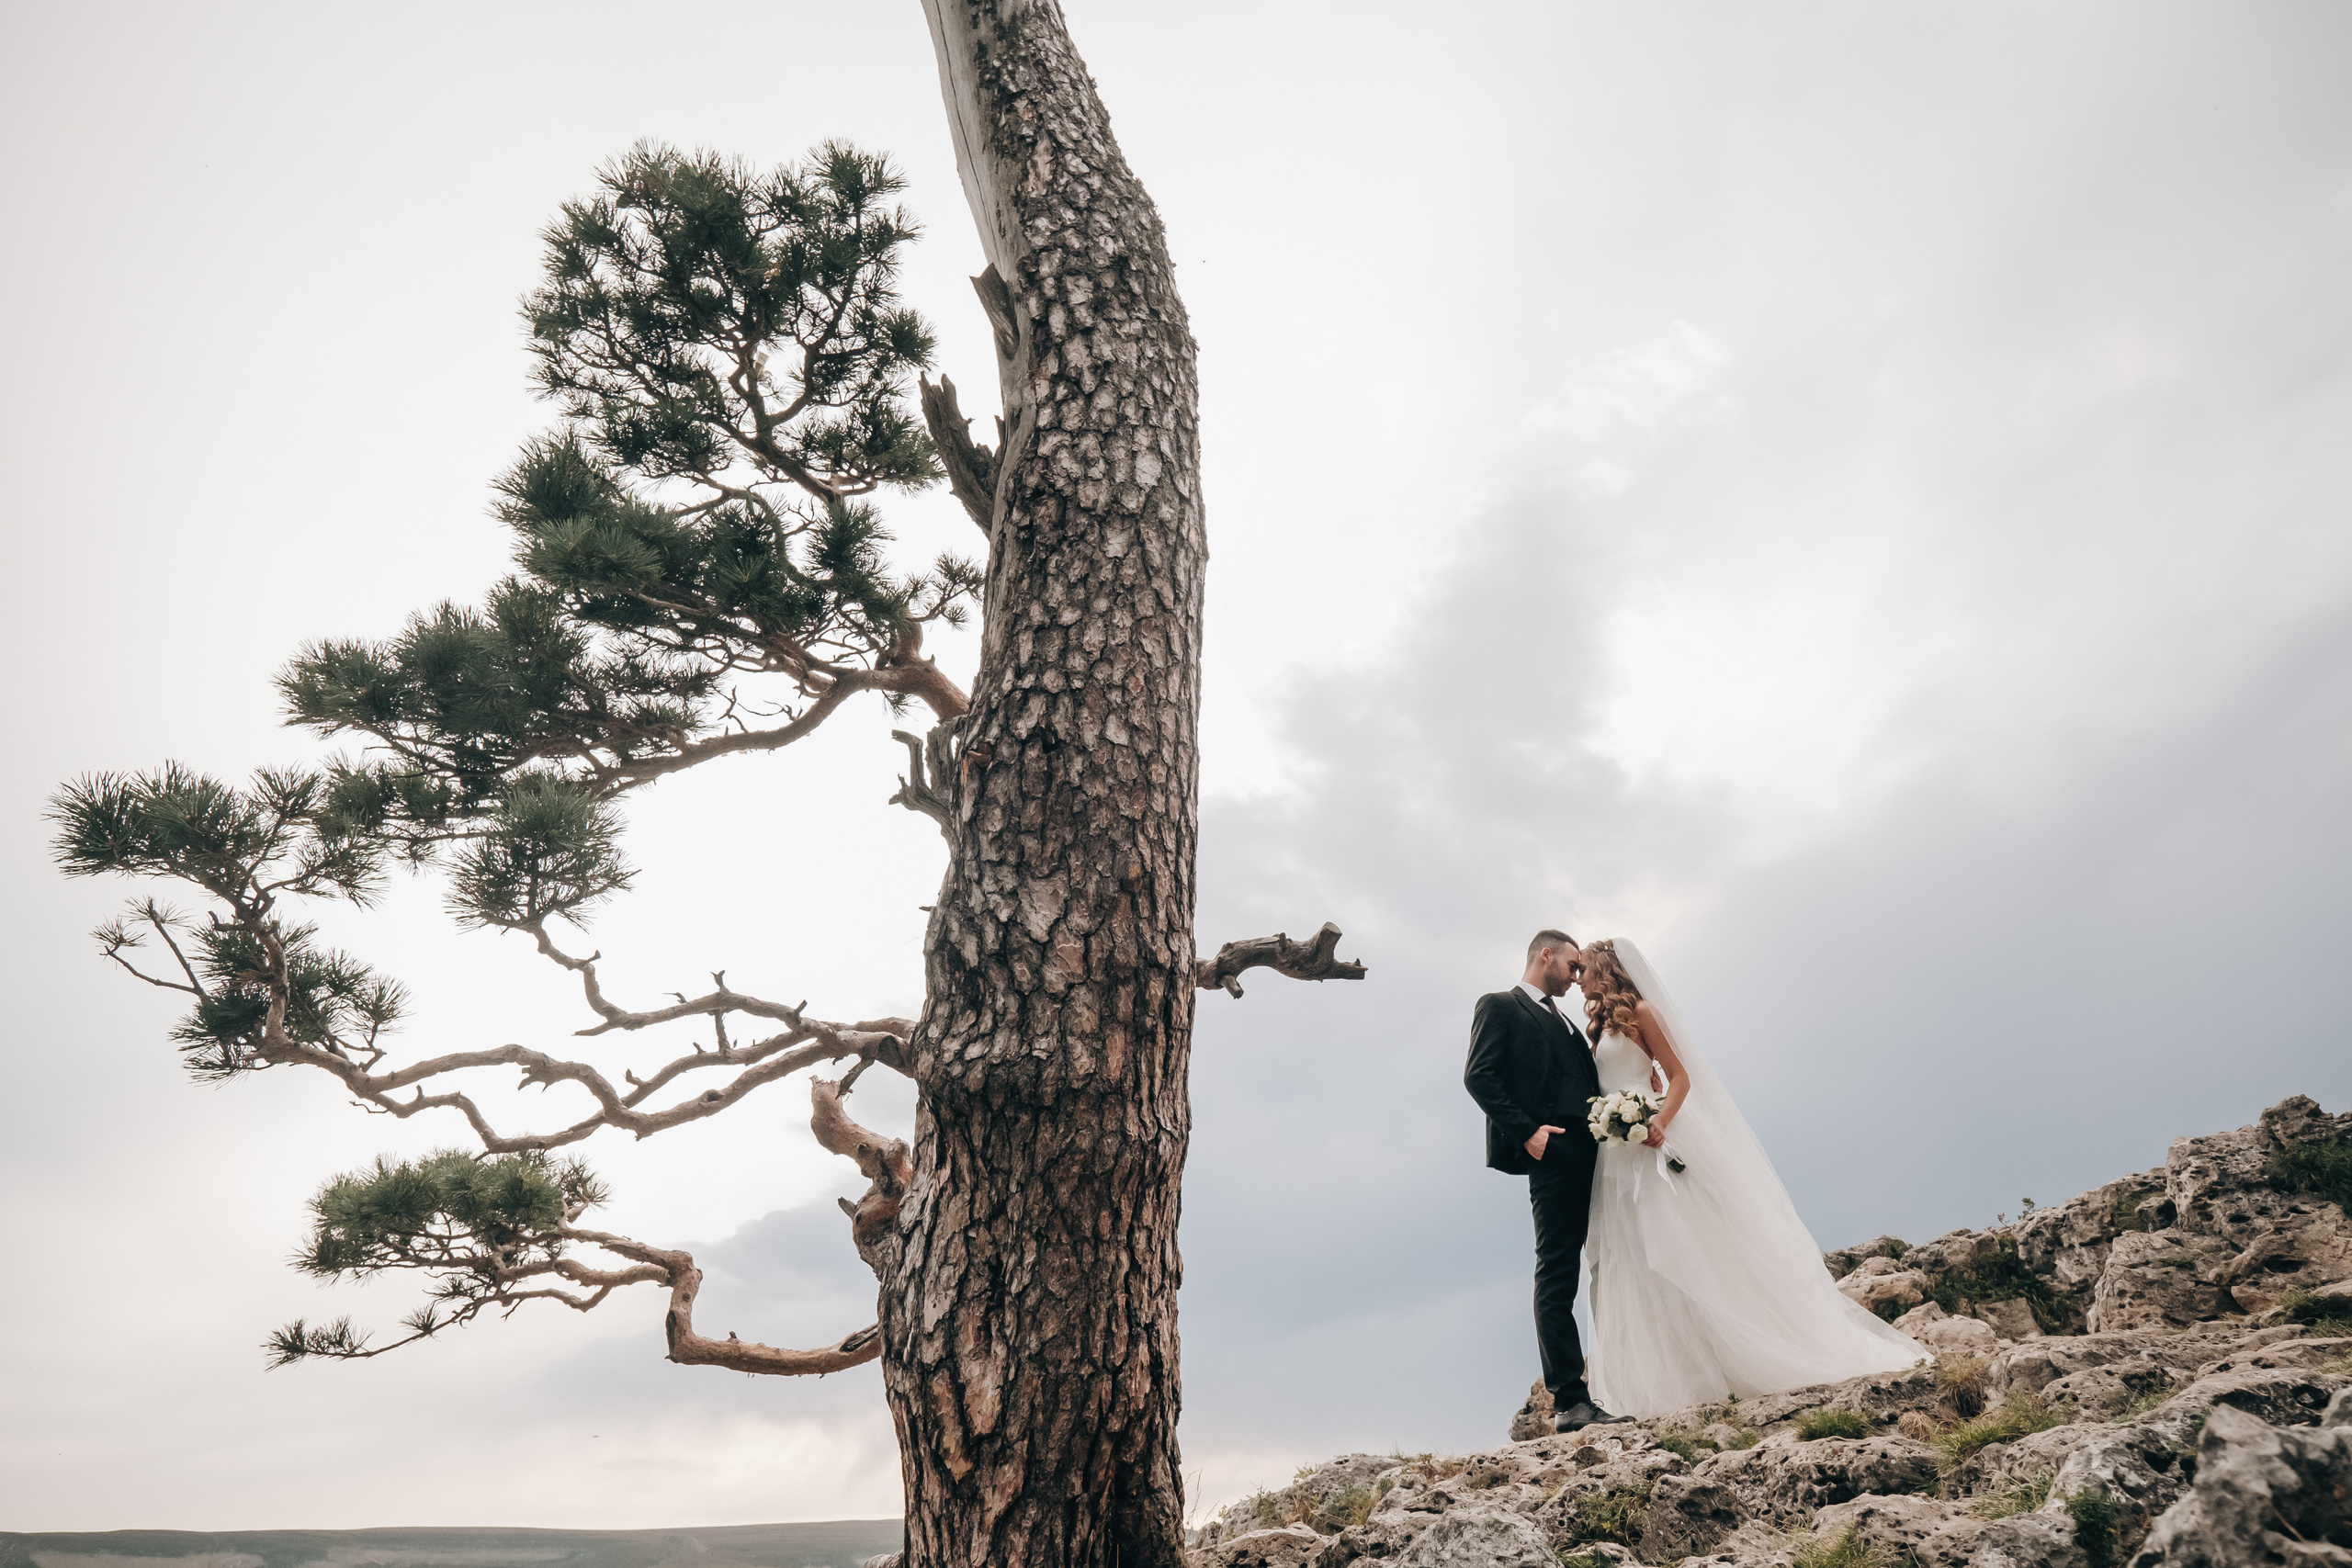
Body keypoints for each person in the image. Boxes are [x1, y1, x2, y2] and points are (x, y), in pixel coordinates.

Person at [1576, 938, 1922, 1417]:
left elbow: (1679, 1076)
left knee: (1683, 1244)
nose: (1578, 976)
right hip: (1617, 1154)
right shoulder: (1597, 1027)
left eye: (1584, 968)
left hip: (1653, 1140)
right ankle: (1678, 1373)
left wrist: (1656, 1121)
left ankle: (1737, 1355)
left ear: (1605, 969)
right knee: (1636, 1257)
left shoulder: (1642, 1012)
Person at [1463, 930, 1618, 1432]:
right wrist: (1528, 1132)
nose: (1578, 977)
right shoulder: (1500, 1005)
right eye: (1573, 966)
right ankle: (1571, 1401)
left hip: (1594, 1152)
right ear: (1544, 955)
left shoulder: (1564, 1018)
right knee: (1556, 1271)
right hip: (1552, 1153)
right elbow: (1479, 1076)